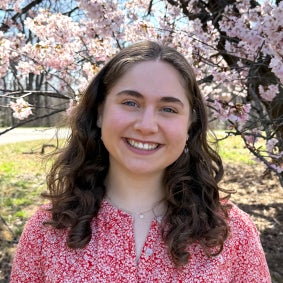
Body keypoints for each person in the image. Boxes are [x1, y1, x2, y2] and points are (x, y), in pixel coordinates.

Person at [10, 41, 271, 282]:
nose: (146, 126)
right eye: (131, 102)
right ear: (100, 112)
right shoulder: (45, 231)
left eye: (168, 109)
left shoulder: (232, 232)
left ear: (190, 126)